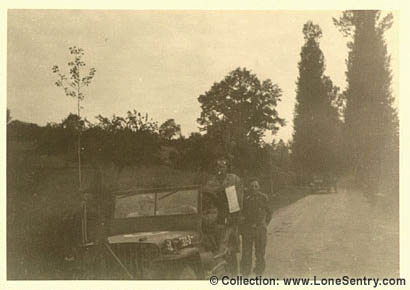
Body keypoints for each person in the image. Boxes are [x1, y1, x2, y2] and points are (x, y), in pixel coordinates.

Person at [203, 158, 244, 275]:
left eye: (223, 166)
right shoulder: (211, 182)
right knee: (219, 248)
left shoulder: (234, 179)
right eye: (218, 167)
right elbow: (206, 196)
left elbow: (239, 198)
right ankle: (222, 273)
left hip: (232, 217)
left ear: (227, 168)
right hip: (218, 218)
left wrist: (237, 216)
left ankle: (234, 275)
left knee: (232, 248)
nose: (220, 169)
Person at [240, 178, 272, 276]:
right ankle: (246, 273)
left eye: (256, 186)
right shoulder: (245, 199)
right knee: (246, 253)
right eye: (252, 186)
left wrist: (265, 224)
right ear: (249, 188)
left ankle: (259, 271)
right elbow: (241, 213)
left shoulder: (263, 198)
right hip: (248, 229)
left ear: (259, 188)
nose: (254, 188)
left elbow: (269, 212)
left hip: (260, 229)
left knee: (260, 252)